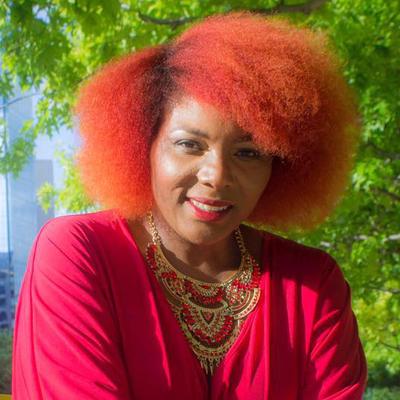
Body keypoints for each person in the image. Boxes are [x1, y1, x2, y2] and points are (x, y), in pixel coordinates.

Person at [12, 11, 367, 399]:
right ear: (142, 144)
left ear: (279, 165)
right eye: (189, 145)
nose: (217, 175)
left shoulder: (313, 284)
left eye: (248, 152)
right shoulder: (77, 253)